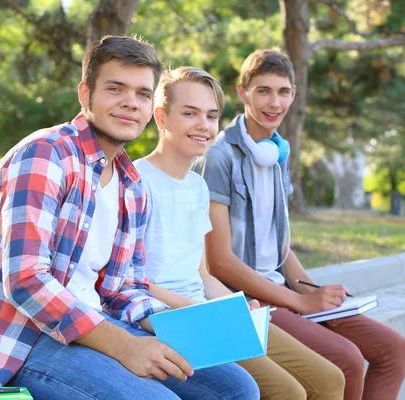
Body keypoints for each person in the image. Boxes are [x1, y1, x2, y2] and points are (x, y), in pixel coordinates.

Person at [0, 36, 259, 400]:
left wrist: (185, 325)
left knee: (237, 388)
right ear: (86, 95)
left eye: (143, 94)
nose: (131, 103)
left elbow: (122, 288)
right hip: (24, 341)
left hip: (96, 323)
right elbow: (26, 281)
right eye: (116, 89)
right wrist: (125, 346)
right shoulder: (45, 155)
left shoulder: (131, 185)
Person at [197, 49, 405, 400]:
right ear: (242, 92)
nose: (274, 102)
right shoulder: (219, 157)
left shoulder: (278, 155)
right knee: (348, 360)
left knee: (395, 349)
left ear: (294, 95)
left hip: (285, 292)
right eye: (263, 91)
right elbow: (219, 261)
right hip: (248, 300)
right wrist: (299, 303)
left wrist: (312, 291)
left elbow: (279, 247)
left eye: (283, 92)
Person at [135, 66, 345, 400]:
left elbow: (201, 273)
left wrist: (235, 305)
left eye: (211, 115)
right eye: (190, 113)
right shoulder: (136, 182)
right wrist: (204, 310)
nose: (203, 125)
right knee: (287, 392)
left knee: (329, 379)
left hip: (208, 311)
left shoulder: (197, 186)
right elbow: (132, 282)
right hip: (168, 321)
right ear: (161, 117)